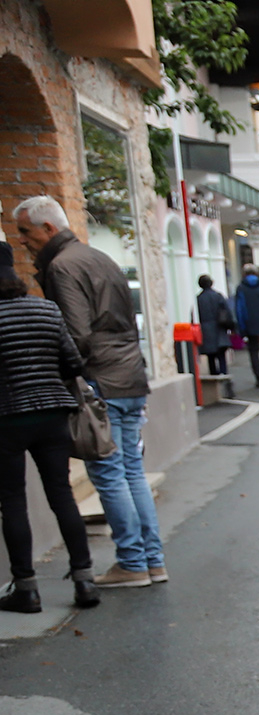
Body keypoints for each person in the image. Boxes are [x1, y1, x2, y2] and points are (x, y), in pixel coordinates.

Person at [12, 195, 159, 587]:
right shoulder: (96, 257)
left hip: (101, 383)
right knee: (131, 472)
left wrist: (62, 377)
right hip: (129, 376)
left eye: (25, 232)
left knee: (110, 474)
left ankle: (132, 563)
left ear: (48, 228)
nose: (21, 241)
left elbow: (76, 335)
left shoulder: (62, 266)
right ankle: (151, 561)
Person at [0, 243, 101, 612]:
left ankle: (26, 590)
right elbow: (74, 363)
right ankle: (84, 580)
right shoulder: (46, 310)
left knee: (12, 501)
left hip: (7, 420)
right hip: (54, 416)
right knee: (62, 496)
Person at [194, 272, 235, 380]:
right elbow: (227, 312)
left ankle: (214, 378)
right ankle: (224, 377)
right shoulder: (218, 296)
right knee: (221, 356)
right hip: (219, 329)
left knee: (210, 357)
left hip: (206, 331)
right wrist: (232, 327)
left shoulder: (198, 299)